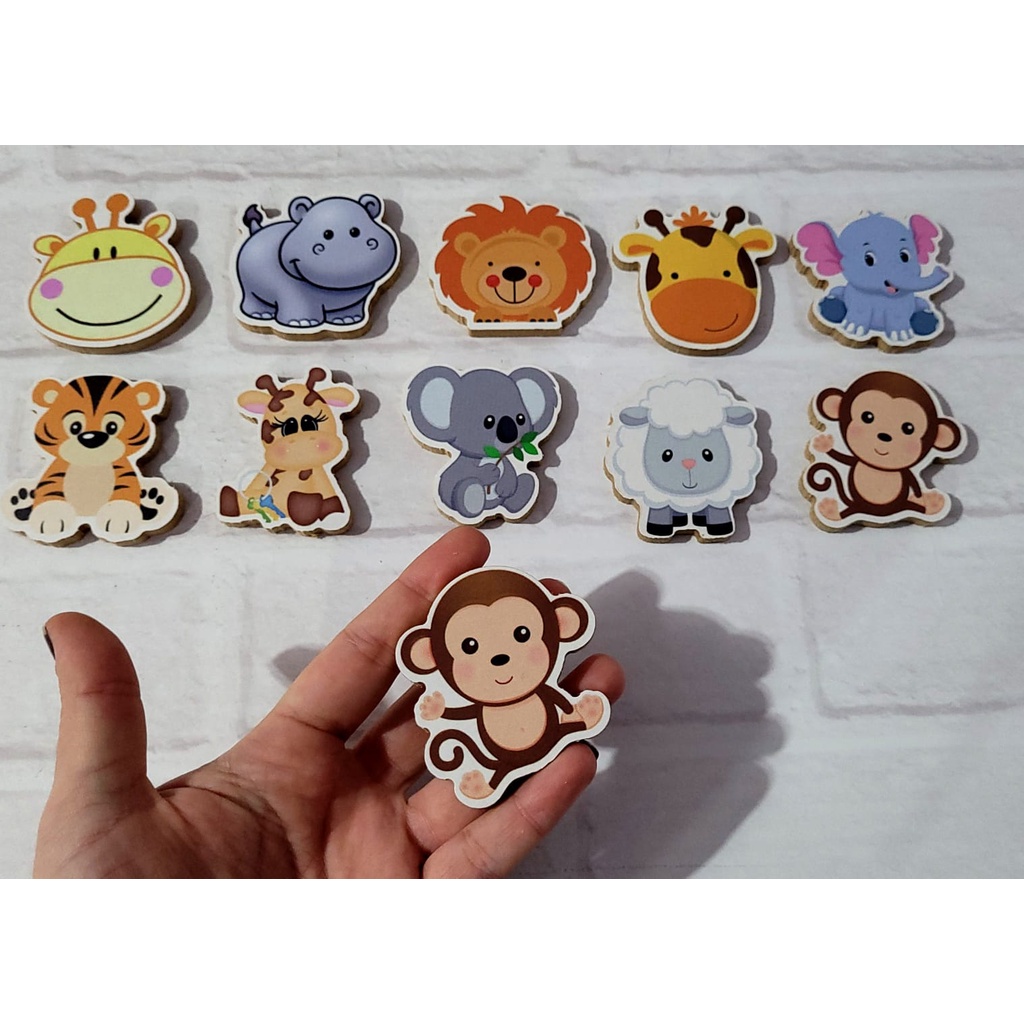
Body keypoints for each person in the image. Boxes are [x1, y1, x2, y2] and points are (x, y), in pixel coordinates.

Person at [33, 526, 624, 878]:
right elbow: (458, 716)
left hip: (539, 725)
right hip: (488, 749)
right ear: (431, 657)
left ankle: (542, 736)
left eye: (521, 635)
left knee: (551, 736)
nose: (499, 658)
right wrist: (445, 713)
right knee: (490, 760)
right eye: (470, 647)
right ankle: (488, 770)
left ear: (562, 627)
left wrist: (568, 714)